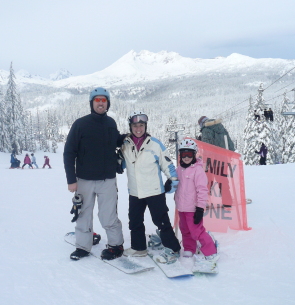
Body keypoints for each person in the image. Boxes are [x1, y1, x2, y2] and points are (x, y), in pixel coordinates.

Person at [63, 87, 126, 261]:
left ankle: (115, 245)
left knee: (108, 215)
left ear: (107, 103)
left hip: (107, 179)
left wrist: (131, 136)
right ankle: (83, 246)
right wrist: (71, 179)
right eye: (97, 100)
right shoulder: (80, 124)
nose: (100, 103)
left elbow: (116, 140)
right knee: (83, 213)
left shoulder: (110, 123)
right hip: (84, 180)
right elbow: (69, 152)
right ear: (92, 103)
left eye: (103, 100)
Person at [121, 111, 182, 264]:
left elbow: (167, 163)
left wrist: (172, 179)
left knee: (161, 221)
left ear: (145, 126)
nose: (138, 128)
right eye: (135, 125)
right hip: (135, 192)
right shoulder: (125, 145)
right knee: (134, 221)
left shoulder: (155, 144)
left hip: (154, 191)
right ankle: (139, 248)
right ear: (131, 127)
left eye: (141, 125)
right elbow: (120, 164)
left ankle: (173, 248)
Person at [175, 139, 218, 265]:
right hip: (181, 208)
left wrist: (200, 208)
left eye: (189, 154)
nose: (186, 157)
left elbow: (202, 190)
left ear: (194, 155)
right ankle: (189, 248)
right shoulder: (179, 169)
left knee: (197, 231)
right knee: (185, 230)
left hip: (193, 209)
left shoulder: (198, 170)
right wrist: (169, 185)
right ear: (180, 156)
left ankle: (210, 251)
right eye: (184, 154)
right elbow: (174, 184)